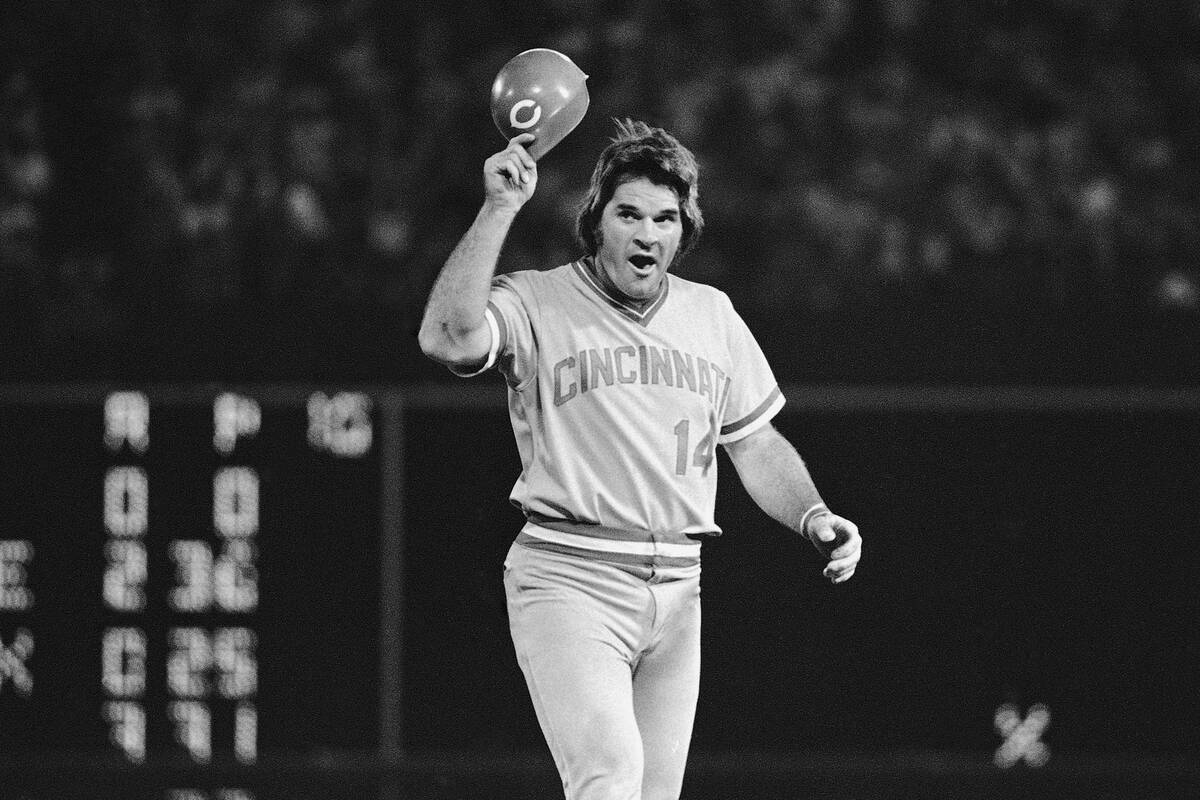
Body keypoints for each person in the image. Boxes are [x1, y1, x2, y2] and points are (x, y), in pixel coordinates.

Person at [418, 119, 862, 800]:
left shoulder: (710, 314)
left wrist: (813, 514)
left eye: (664, 217)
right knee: (610, 776)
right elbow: (449, 336)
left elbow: (754, 442)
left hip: (680, 591)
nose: (646, 233)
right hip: (570, 576)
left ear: (683, 233)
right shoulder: (537, 299)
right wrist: (499, 206)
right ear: (596, 223)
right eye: (627, 214)